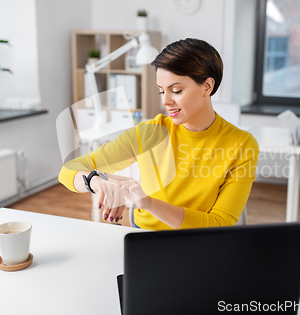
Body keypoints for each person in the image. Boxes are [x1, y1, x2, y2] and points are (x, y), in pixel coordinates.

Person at [58, 38, 259, 230]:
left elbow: (220, 224)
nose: (166, 101)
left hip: (199, 240)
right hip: (146, 236)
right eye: (161, 91)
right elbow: (68, 170)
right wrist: (95, 181)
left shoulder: (241, 144)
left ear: (207, 86)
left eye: (176, 90)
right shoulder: (150, 133)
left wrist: (149, 203)